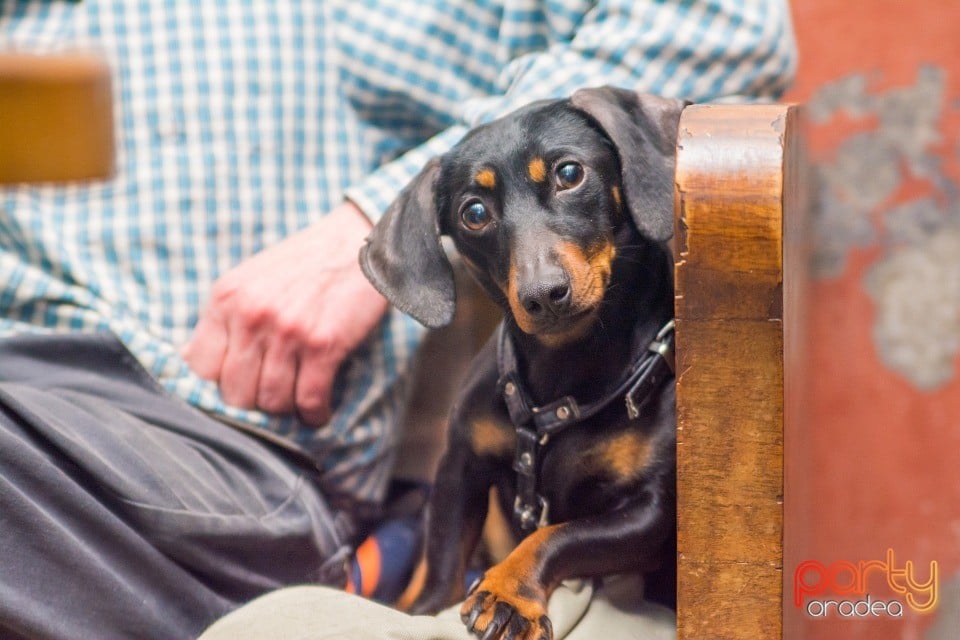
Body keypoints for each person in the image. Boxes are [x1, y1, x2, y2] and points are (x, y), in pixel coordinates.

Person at [0, 1, 796, 639]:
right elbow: (464, 467)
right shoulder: (495, 389)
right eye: (481, 211)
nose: (543, 275)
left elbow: (722, 24)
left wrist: (353, 225)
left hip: (202, 416)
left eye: (566, 178)